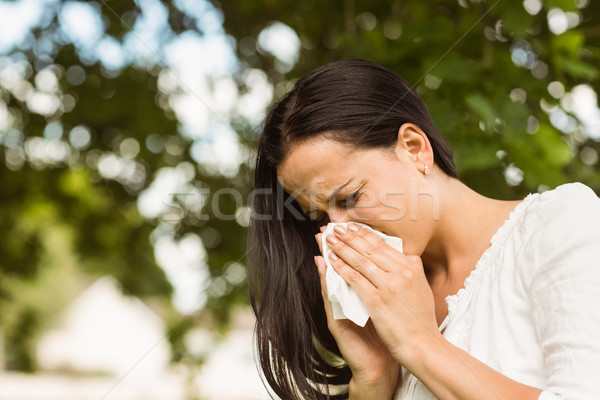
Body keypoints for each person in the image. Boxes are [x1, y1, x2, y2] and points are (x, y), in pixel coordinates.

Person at [246, 58, 600, 400]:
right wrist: (373, 380)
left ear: (415, 149)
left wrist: (419, 343)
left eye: (351, 197)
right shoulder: (378, 309)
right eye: (318, 216)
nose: (336, 232)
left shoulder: (561, 225)